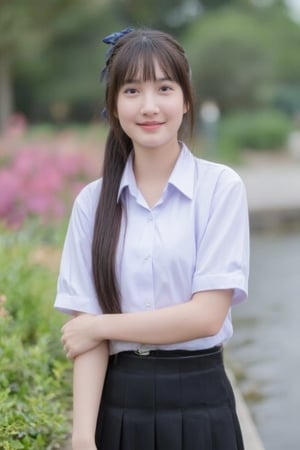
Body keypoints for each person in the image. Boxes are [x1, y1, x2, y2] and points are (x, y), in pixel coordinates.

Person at [55, 27, 249, 450]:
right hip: (118, 411)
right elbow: (86, 340)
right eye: (131, 90)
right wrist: (83, 438)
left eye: (164, 87)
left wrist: (101, 326)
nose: (149, 106)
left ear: (185, 100)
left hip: (202, 407)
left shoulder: (220, 188)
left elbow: (206, 316)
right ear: (114, 105)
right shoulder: (91, 203)